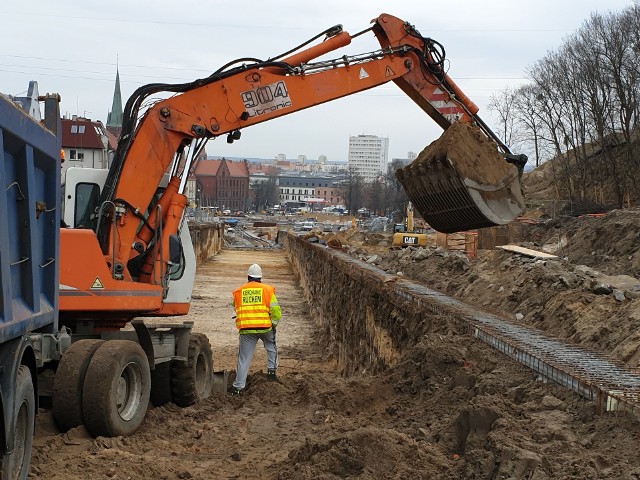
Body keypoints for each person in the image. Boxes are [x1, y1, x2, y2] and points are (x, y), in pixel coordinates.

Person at [230, 263, 281, 395]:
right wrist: (273, 324)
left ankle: (238, 388)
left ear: (248, 276)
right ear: (260, 277)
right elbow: (276, 310)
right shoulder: (268, 290)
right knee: (271, 348)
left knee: (244, 358)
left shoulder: (238, 291)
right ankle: (271, 374)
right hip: (265, 327)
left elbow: (235, 306)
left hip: (247, 329)